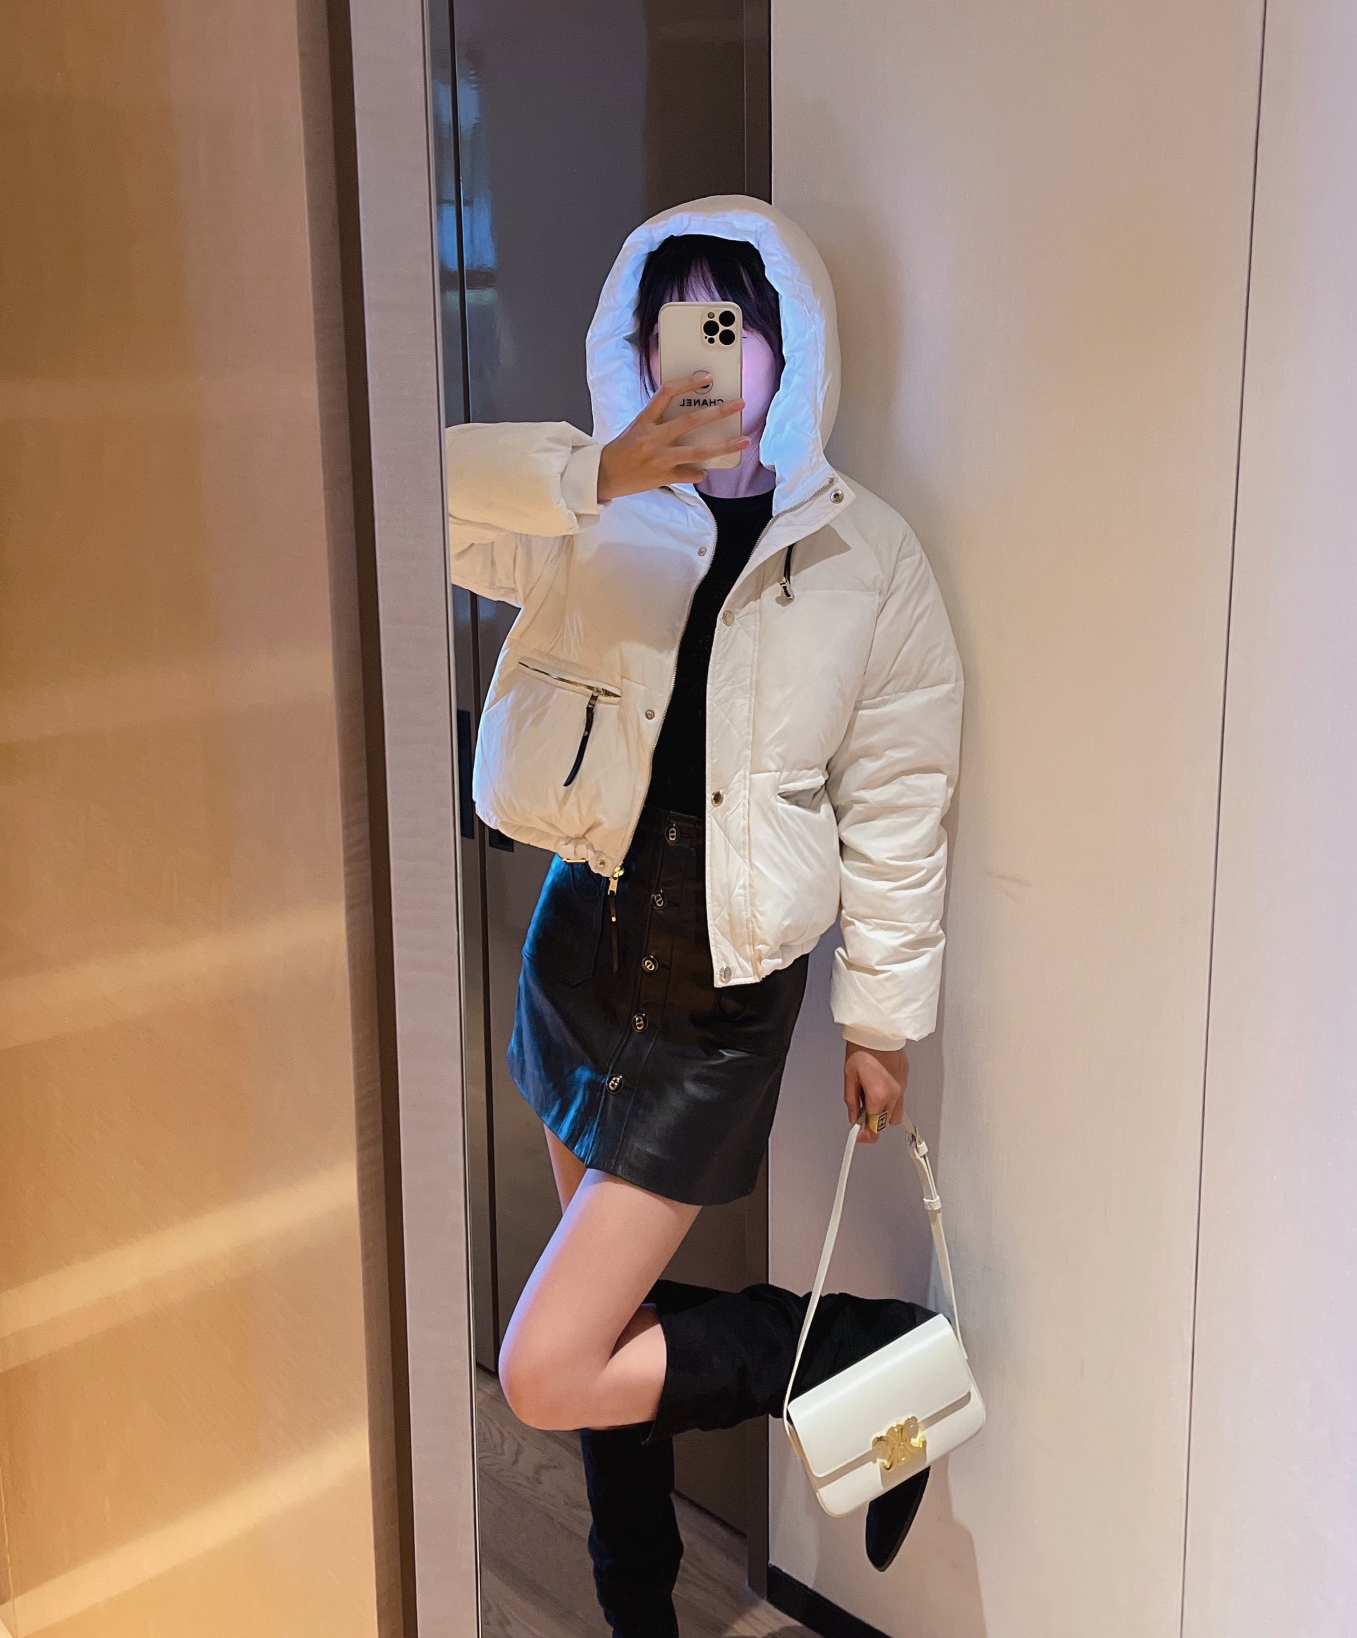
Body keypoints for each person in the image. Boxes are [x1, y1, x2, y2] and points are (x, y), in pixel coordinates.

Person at [446, 196, 962, 1634]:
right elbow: (396, 494)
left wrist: (881, 1018)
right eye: (674, 322)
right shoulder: (592, 519)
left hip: (718, 1004)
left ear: (789, 348)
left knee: (549, 1366)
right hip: (581, 957)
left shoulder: (868, 559)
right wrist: (589, 471)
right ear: (637, 343)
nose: (706, 357)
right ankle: (640, 1612)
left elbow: (900, 802)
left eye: (731, 323)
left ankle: (850, 1353)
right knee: (599, 1344)